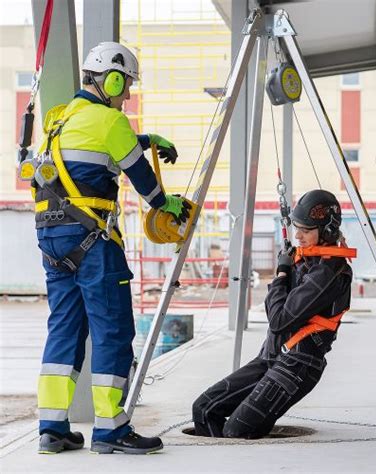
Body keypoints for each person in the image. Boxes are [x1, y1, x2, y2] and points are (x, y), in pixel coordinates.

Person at [35, 42, 190, 455]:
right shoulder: (111, 120)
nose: (126, 96)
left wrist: (142, 138)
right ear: (113, 79)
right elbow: (145, 183)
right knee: (113, 329)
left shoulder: (58, 119)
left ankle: (52, 428)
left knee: (64, 328)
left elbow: (90, 147)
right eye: (125, 87)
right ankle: (111, 428)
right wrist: (168, 203)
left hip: (53, 239)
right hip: (93, 241)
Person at [192, 190, 354, 438]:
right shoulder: (306, 258)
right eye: (296, 227)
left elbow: (278, 320)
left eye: (306, 230)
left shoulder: (328, 272)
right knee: (203, 409)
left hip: (298, 364)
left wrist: (281, 274)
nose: (298, 235)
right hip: (271, 357)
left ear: (327, 231)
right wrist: (290, 267)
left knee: (237, 430)